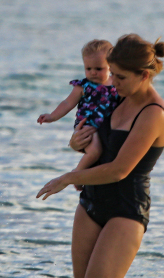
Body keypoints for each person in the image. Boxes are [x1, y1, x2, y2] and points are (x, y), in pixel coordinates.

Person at [36, 34, 164, 278]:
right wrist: (77, 144)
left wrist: (68, 177)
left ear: (145, 75)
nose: (112, 82)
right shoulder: (115, 96)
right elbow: (95, 143)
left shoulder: (154, 112)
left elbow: (118, 170)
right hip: (91, 203)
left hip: (126, 210)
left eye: (120, 77)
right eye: (111, 74)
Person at [38, 38, 119, 177]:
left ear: (111, 66)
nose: (93, 72)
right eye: (88, 68)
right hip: (88, 126)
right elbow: (67, 103)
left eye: (98, 69)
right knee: (95, 152)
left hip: (108, 127)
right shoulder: (82, 86)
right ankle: (76, 175)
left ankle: (86, 178)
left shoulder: (118, 84)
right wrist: (52, 116)